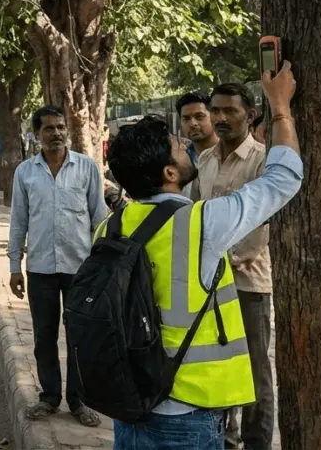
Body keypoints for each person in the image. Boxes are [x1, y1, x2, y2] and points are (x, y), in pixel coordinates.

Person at [103, 62, 300, 449]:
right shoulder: (202, 224)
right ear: (169, 172)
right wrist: (281, 108)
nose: (190, 138)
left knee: (258, 377)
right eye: (178, 146)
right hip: (187, 411)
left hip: (132, 403)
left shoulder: (110, 226)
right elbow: (285, 177)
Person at [7, 106, 106, 428]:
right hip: (40, 268)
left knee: (79, 336)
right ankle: (50, 397)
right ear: (37, 134)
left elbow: (99, 218)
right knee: (44, 336)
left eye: (61, 127)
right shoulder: (25, 172)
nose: (56, 133)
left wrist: (102, 265)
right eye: (49, 129)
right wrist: (14, 265)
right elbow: (19, 220)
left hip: (80, 267)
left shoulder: (86, 168)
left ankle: (79, 401)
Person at [196, 83, 271, 450]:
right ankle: (226, 438)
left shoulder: (262, 160)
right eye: (216, 111)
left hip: (248, 283)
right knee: (219, 363)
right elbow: (198, 217)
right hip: (209, 283)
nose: (221, 118)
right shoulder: (205, 160)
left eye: (231, 111)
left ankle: (257, 442)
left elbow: (260, 230)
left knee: (255, 371)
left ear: (251, 115)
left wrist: (220, 260)